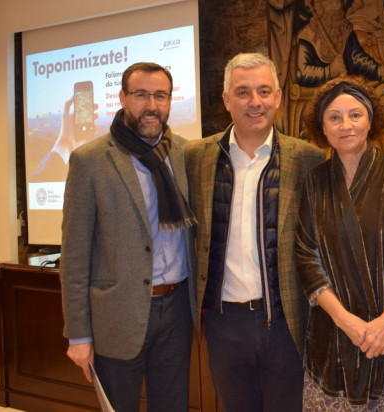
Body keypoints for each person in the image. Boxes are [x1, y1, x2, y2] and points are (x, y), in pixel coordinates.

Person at [185, 53, 324, 412]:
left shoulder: (307, 158)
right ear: (226, 100)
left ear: (278, 97)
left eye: (264, 91)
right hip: (223, 323)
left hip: (285, 322)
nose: (255, 102)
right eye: (243, 92)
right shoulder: (197, 156)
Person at [60, 62, 198, 412]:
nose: (151, 105)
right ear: (122, 98)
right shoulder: (89, 161)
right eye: (141, 95)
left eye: (160, 96)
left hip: (177, 310)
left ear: (169, 101)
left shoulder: (185, 153)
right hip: (117, 317)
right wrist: (79, 335)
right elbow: (74, 256)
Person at [296, 76, 384, 409]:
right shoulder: (315, 182)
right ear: (322, 128)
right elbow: (306, 256)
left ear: (371, 120)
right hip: (335, 338)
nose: (346, 125)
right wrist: (345, 320)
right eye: (334, 117)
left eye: (355, 114)